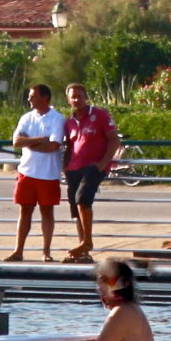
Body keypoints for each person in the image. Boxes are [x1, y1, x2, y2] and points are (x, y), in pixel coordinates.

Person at [4, 84, 65, 263]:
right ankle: (18, 251)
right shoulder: (26, 118)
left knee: (47, 212)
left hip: (48, 173)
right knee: (25, 211)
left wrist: (28, 142)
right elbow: (17, 141)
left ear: (44, 97)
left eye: (33, 96)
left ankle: (46, 251)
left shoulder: (57, 119)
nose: (29, 99)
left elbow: (53, 146)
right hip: (26, 172)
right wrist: (38, 140)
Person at [62, 82, 121, 263]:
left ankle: (87, 242)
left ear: (86, 97)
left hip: (93, 166)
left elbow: (114, 140)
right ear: (68, 100)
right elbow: (69, 146)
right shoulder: (68, 122)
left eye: (80, 96)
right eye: (73, 97)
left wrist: (103, 164)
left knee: (82, 199)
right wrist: (65, 168)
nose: (77, 100)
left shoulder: (100, 115)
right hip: (73, 168)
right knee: (76, 208)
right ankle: (83, 250)